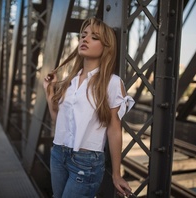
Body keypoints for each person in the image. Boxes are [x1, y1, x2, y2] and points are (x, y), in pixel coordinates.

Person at [43, 17, 135, 198]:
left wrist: (116, 174)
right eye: (83, 35)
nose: (84, 39)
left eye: (94, 37)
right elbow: (59, 121)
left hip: (86, 163)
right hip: (58, 154)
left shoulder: (112, 83)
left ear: (106, 46)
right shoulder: (70, 80)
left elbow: (114, 129)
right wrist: (49, 92)